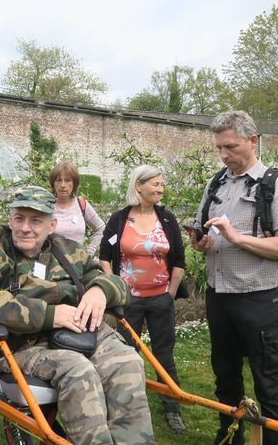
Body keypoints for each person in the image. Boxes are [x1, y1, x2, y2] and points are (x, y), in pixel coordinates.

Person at [0, 186, 155, 445]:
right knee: (78, 372)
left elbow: (116, 284)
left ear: (52, 224)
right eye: (19, 218)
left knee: (127, 360)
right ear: (10, 219)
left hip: (76, 333)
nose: (25, 227)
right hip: (17, 345)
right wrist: (48, 315)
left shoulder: (67, 249)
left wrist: (100, 291)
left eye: (36, 220)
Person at [191, 110, 278, 445]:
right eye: (219, 148)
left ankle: (276, 440)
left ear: (253, 141)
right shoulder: (216, 183)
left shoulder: (277, 186)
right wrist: (201, 243)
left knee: (267, 379)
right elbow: (204, 235)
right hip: (219, 297)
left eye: (231, 146)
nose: (224, 154)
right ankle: (229, 435)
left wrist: (237, 237)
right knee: (225, 378)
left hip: (257, 298)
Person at [99, 164, 187, 435]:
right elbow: (104, 256)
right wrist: (115, 288)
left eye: (162, 184)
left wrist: (170, 293)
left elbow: (179, 259)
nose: (160, 189)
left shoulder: (167, 219)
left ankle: (172, 408)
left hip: (160, 299)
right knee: (126, 355)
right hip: (129, 301)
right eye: (155, 184)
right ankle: (125, 406)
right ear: (139, 186)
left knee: (164, 355)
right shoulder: (119, 219)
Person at [48, 161, 105, 254]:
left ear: (74, 183)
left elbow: (101, 228)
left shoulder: (81, 205)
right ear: (53, 183)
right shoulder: (46, 206)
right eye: (58, 180)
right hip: (52, 265)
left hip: (77, 266)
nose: (63, 185)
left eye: (67, 180)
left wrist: (89, 252)